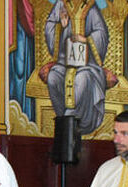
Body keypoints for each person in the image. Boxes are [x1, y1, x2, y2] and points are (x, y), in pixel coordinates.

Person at [40, 0, 111, 134]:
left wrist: (86, 39)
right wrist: (61, 26)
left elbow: (101, 33)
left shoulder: (90, 6)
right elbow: (49, 26)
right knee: (53, 77)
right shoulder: (61, 4)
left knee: (82, 78)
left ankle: (75, 120)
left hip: (88, 65)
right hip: (64, 63)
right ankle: (63, 120)